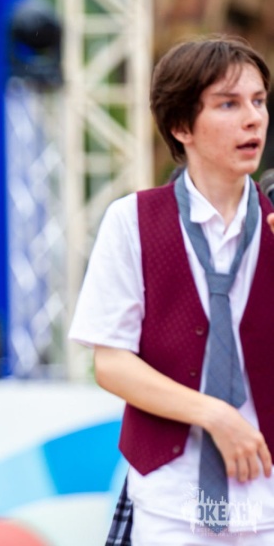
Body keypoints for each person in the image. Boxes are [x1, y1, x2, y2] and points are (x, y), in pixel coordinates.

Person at [69, 35, 274, 544]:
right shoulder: (132, 220)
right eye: (229, 104)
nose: (253, 118)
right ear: (181, 126)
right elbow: (111, 362)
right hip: (170, 498)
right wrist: (215, 415)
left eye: (259, 101)